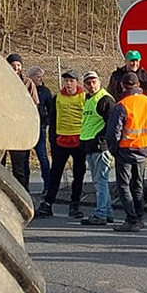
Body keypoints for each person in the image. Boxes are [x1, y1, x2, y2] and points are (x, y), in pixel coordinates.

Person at [106, 73, 147, 231]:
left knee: (124, 186)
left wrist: (114, 150)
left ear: (123, 86)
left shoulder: (122, 105)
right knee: (138, 185)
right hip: (144, 149)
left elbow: (113, 132)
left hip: (126, 150)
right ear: (138, 85)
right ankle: (140, 217)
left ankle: (132, 219)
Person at [34, 70, 87, 219]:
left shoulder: (85, 97)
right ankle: (48, 204)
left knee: (78, 175)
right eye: (66, 81)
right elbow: (52, 118)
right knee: (55, 174)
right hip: (61, 142)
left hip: (79, 141)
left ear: (77, 82)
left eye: (71, 81)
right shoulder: (57, 98)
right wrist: (52, 140)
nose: (68, 84)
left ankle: (75, 205)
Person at [79, 70, 115, 226]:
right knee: (99, 181)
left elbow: (111, 123)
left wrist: (103, 139)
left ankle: (101, 214)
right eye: (88, 83)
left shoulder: (105, 100)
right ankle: (107, 212)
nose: (91, 85)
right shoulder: (89, 99)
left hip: (100, 146)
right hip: (90, 145)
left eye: (93, 82)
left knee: (100, 181)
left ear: (99, 82)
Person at [6, 53, 41, 193]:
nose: (16, 68)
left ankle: (23, 195)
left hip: (19, 130)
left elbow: (34, 105)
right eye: (13, 65)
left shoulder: (28, 83)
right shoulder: (0, 81)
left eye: (18, 65)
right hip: (2, 129)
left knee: (19, 167)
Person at [29, 67, 54, 191]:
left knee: (42, 156)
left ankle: (48, 185)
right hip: (28, 127)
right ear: (31, 77)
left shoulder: (45, 91)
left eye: (41, 76)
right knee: (23, 159)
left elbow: (51, 108)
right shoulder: (25, 89)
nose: (41, 79)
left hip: (41, 126)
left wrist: (46, 121)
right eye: (38, 77)